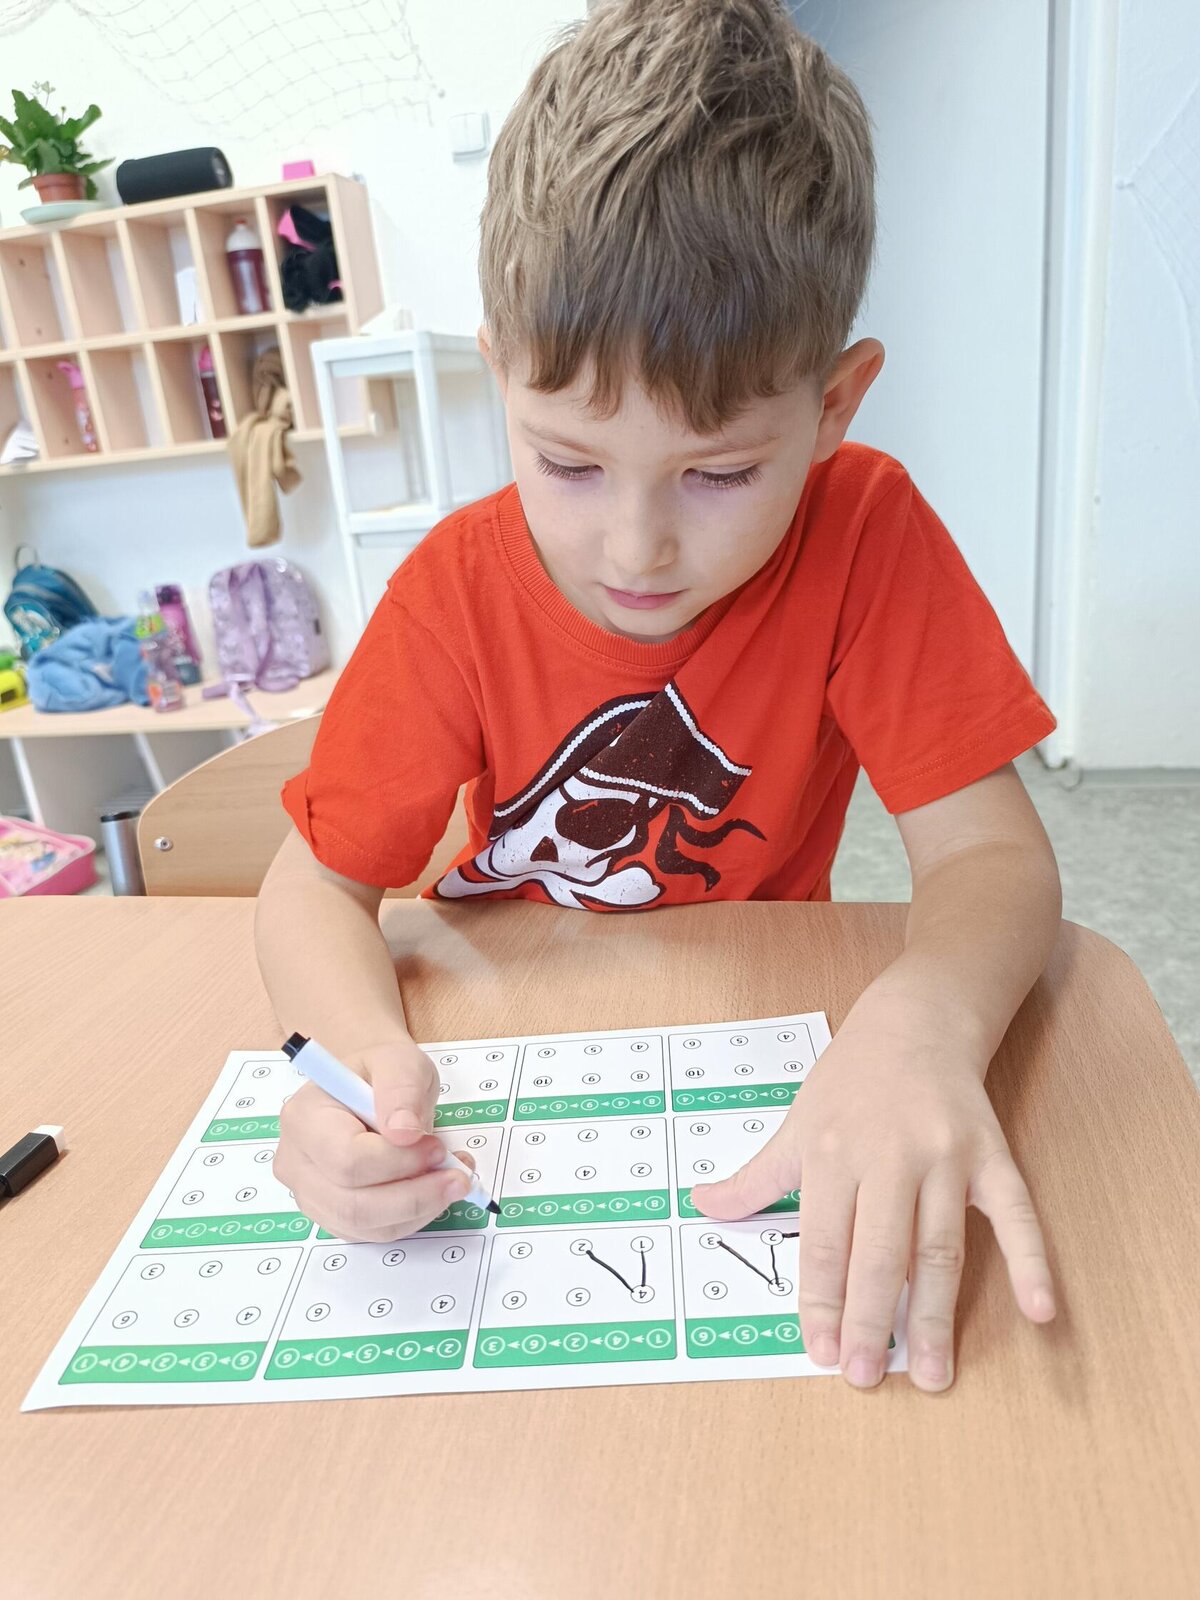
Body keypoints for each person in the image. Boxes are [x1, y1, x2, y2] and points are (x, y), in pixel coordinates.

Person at [257, 0, 1060, 1394]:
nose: (635, 549)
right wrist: (357, 1061)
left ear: (835, 406)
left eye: (721, 472)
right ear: (499, 374)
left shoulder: (866, 534)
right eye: (568, 463)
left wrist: (931, 1016)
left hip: (755, 1033)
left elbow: (994, 858)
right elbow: (313, 887)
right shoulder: (456, 591)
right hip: (502, 1055)